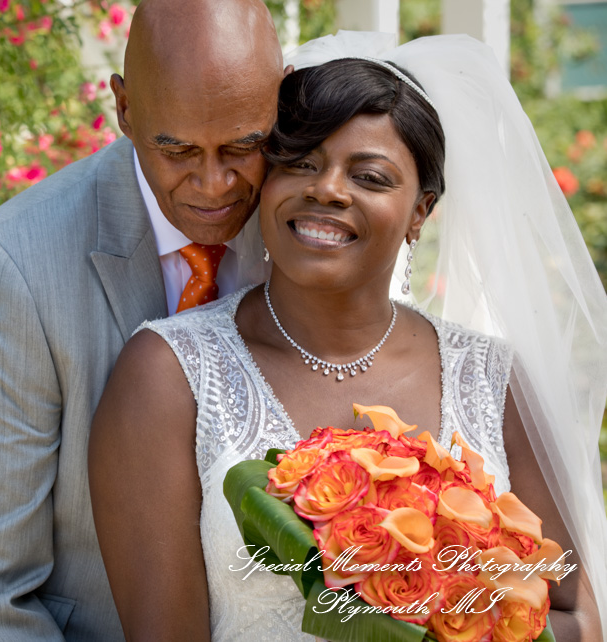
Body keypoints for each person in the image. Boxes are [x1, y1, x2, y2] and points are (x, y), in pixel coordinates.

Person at [89, 32, 607, 641]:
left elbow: (576, 614)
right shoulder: (168, 373)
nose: (328, 189)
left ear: (421, 210)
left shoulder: (490, 378)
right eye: (300, 163)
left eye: (371, 176)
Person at [0, 0, 282, 639]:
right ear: (125, 108)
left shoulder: (304, 236)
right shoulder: (14, 266)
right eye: (180, 151)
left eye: (244, 147)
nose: (216, 184)